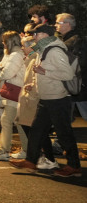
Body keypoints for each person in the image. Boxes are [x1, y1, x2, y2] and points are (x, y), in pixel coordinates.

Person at [10, 24, 82, 177]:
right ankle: (31, 160)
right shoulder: (42, 50)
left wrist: (45, 71)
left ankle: (74, 165)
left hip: (58, 99)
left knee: (64, 133)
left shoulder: (54, 50)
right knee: (36, 130)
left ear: (44, 35)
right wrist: (34, 85)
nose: (34, 37)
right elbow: (41, 75)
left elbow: (67, 74)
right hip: (46, 98)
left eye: (36, 34)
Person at [0, 31, 28, 161]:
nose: (2, 43)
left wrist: (0, 71)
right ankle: (25, 150)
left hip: (14, 91)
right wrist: (0, 70)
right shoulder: (12, 54)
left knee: (7, 121)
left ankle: (4, 150)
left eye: (4, 41)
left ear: (9, 42)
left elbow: (5, 73)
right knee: (18, 121)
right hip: (16, 90)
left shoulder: (15, 55)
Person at [55, 13, 87, 119]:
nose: (55, 25)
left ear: (67, 24)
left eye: (58, 23)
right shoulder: (68, 40)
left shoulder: (75, 41)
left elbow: (80, 64)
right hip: (75, 85)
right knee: (65, 117)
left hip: (77, 85)